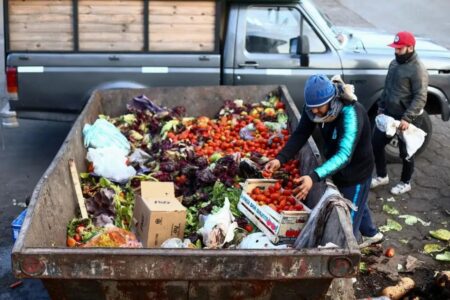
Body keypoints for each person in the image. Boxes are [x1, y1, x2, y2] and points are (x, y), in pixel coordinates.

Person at [265, 74, 382, 247]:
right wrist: (280, 159)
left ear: (332, 99)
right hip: (335, 167)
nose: (314, 112)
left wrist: (313, 177)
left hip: (355, 172)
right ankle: (372, 233)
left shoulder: (351, 114)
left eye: (319, 108)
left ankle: (348, 255)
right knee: (356, 202)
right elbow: (301, 133)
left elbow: (344, 155)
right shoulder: (313, 108)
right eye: (311, 108)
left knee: (346, 223)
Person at [371, 31, 428, 195]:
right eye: (395, 48)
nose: (396, 51)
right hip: (388, 114)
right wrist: (381, 107)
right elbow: (387, 87)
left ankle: (405, 182)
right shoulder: (394, 63)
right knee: (376, 143)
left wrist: (407, 118)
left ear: (410, 48)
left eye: (400, 49)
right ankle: (382, 175)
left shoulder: (418, 69)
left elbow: (420, 96)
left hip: (406, 118)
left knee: (406, 152)